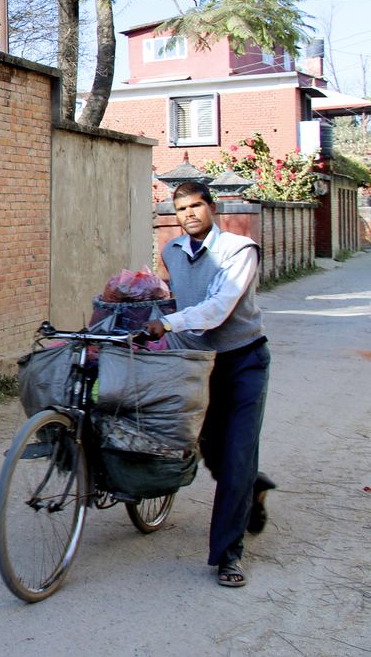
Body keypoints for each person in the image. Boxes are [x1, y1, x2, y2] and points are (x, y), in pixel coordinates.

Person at [143, 181, 275, 588]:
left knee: (236, 453)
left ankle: (228, 556)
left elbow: (218, 308)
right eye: (181, 209)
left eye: (197, 205)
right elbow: (173, 299)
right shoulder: (171, 252)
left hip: (242, 361)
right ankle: (253, 488)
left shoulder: (239, 251)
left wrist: (167, 323)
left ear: (211, 207)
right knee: (206, 445)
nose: (190, 214)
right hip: (197, 364)